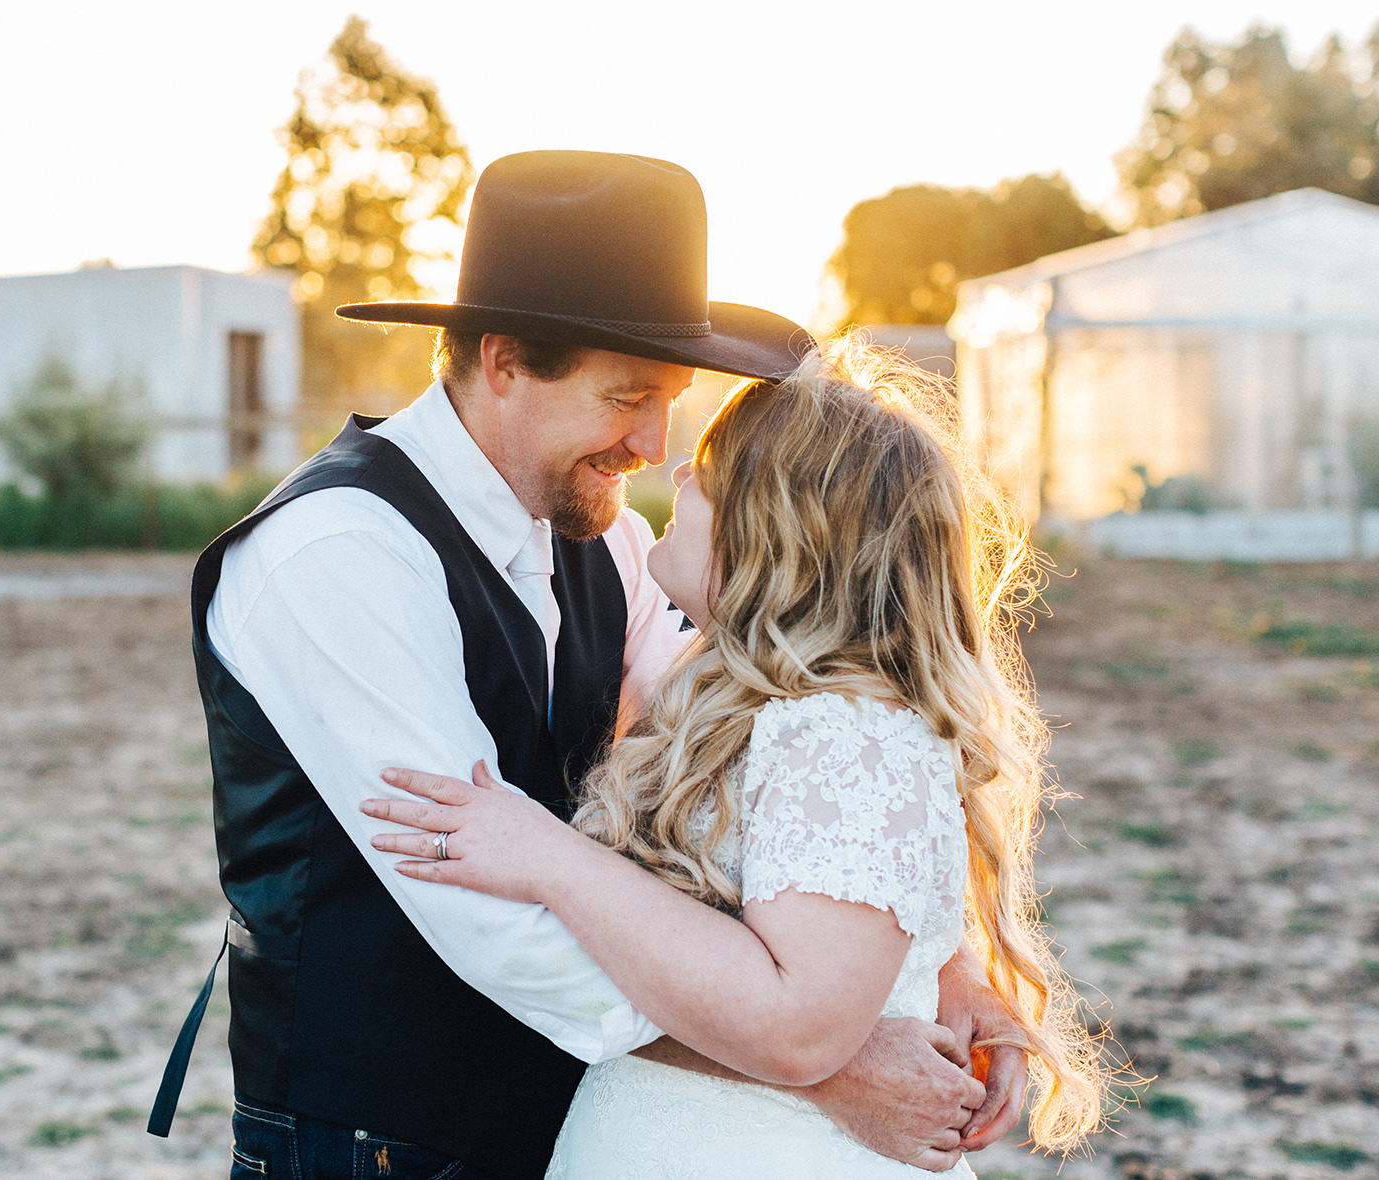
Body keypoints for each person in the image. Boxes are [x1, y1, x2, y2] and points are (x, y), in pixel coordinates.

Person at [150, 151, 1027, 1180]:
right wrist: (815, 1067)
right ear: (504, 361)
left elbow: (756, 754)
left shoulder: (600, 540)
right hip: (387, 1142)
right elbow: (490, 917)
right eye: (627, 398)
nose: (654, 446)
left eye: (671, 401)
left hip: (579, 1117)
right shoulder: (337, 555)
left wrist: (930, 962)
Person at [362, 337, 1107, 1176]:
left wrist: (548, 858)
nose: (671, 471)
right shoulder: (735, 683)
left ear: (777, 534)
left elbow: (800, 1024)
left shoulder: (846, 735)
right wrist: (946, 963)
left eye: (710, 473)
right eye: (627, 400)